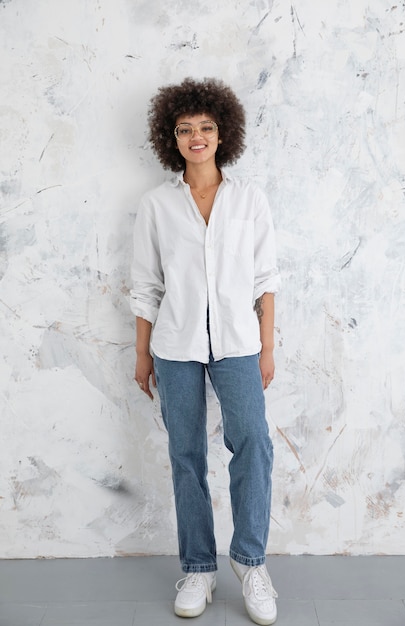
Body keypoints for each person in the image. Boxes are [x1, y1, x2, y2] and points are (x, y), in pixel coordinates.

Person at [130, 77, 279, 625]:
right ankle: (198, 567)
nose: (197, 137)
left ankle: (250, 561)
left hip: (240, 344)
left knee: (254, 447)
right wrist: (143, 355)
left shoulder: (249, 200)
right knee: (186, 457)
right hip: (175, 345)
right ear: (172, 138)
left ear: (223, 134)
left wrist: (266, 347)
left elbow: (266, 280)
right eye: (185, 129)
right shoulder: (156, 205)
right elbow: (146, 285)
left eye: (206, 128)